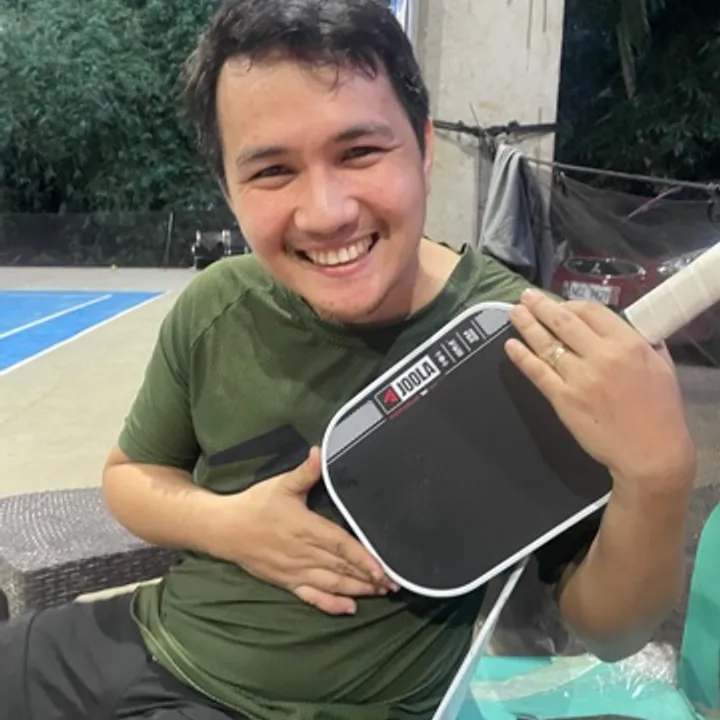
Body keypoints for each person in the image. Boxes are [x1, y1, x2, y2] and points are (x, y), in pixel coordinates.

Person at [0, 1, 697, 718]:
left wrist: (658, 477)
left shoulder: (525, 345)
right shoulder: (217, 304)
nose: (327, 212)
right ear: (228, 191)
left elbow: (610, 632)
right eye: (273, 170)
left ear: (424, 147)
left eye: (360, 152)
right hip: (141, 639)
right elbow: (130, 476)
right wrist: (228, 526)